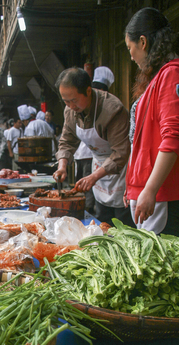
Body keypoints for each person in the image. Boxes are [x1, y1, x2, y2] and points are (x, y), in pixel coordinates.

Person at [53, 67, 134, 226]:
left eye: (74, 100)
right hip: (98, 168)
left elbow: (120, 154)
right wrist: (62, 166)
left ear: (88, 91)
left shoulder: (112, 109)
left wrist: (94, 176)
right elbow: (67, 141)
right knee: (103, 220)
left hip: (121, 170)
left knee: (122, 223)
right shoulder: (70, 111)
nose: (70, 106)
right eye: (66, 101)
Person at [124, 7, 179, 236]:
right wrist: (133, 185)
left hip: (162, 196)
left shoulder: (171, 74)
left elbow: (173, 137)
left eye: (130, 48)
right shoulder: (156, 78)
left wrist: (149, 189)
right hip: (150, 193)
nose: (131, 56)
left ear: (143, 42)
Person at [73, 66, 115, 214]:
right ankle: (90, 210)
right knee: (94, 196)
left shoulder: (111, 108)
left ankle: (90, 209)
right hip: (93, 160)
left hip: (115, 165)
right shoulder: (78, 107)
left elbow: (121, 151)